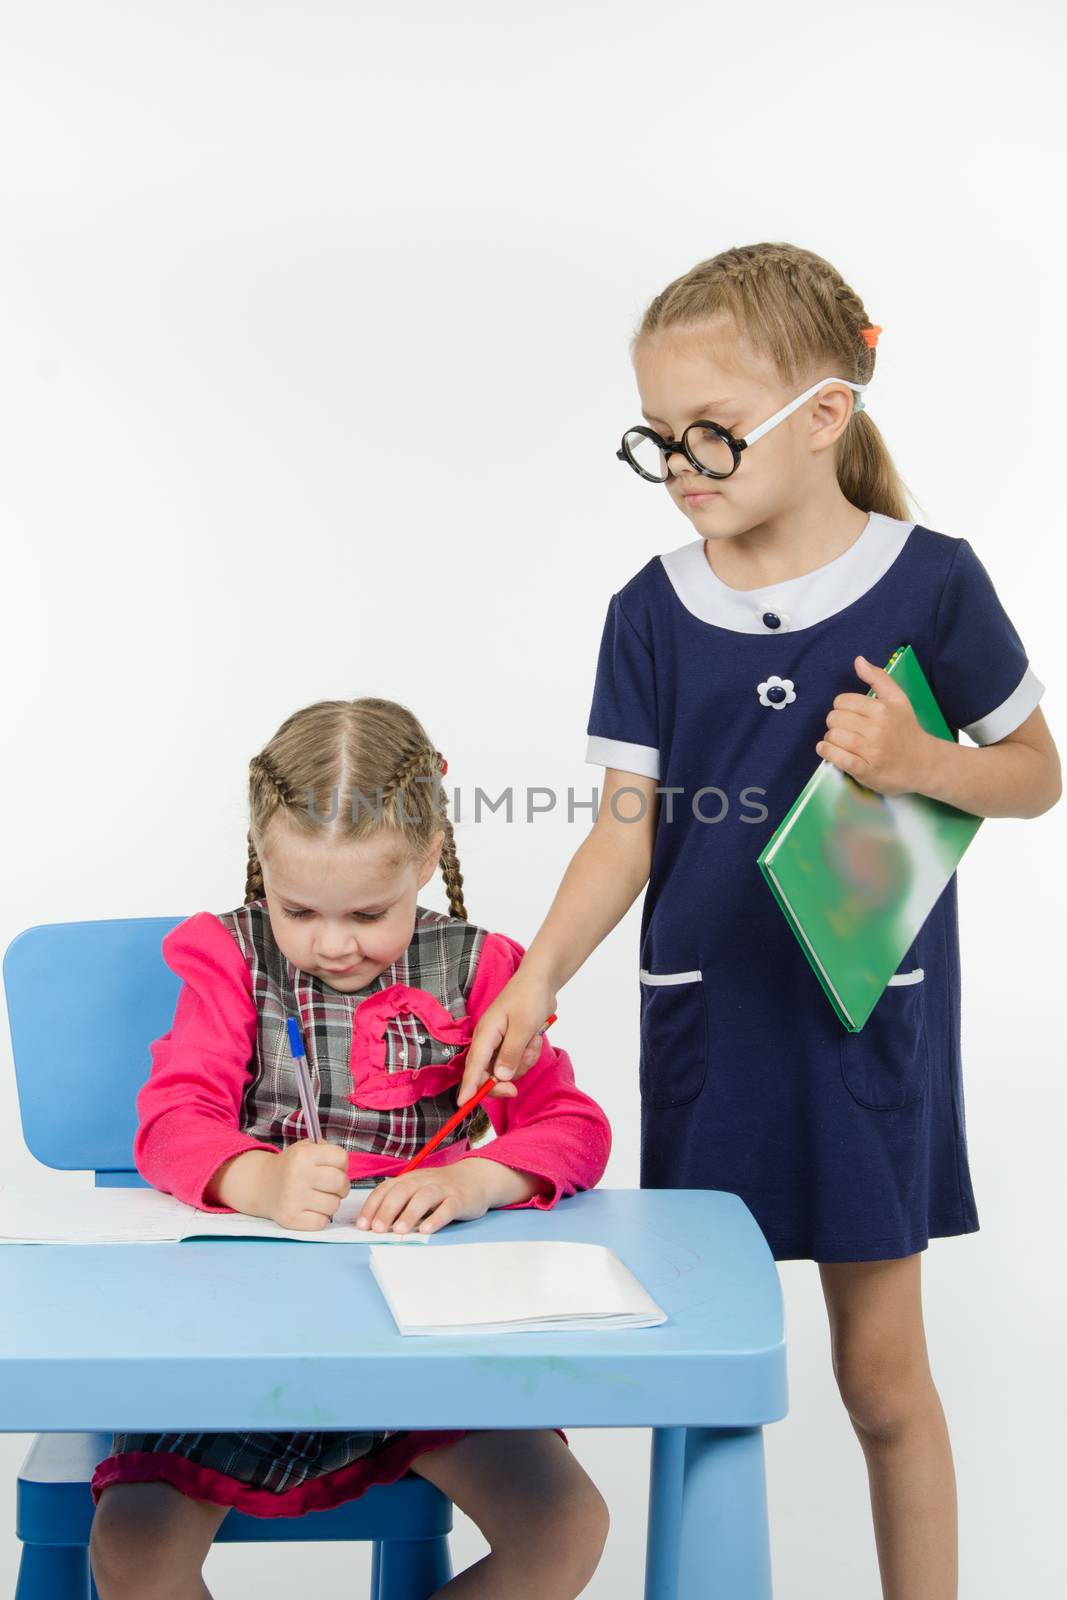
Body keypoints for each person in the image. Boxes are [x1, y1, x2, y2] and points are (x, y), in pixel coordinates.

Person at [458, 242, 1062, 1599]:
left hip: (862, 1034)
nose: (682, 464)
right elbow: (625, 831)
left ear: (823, 418)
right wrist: (538, 975)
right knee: (702, 1368)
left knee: (880, 1380)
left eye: (712, 434)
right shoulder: (649, 612)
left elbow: (1032, 773)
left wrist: (919, 765)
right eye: (658, 438)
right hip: (707, 1031)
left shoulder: (933, 583)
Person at [89, 696, 611, 1600]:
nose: (332, 945)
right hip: (239, 1340)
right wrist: (257, 1178)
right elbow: (170, 1120)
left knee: (566, 1525)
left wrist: (478, 1178)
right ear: (262, 862)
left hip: (423, 1345)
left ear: (429, 857)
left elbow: (573, 1127)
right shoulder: (227, 957)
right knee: (133, 1549)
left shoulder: (485, 972)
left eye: (369, 913)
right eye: (299, 911)